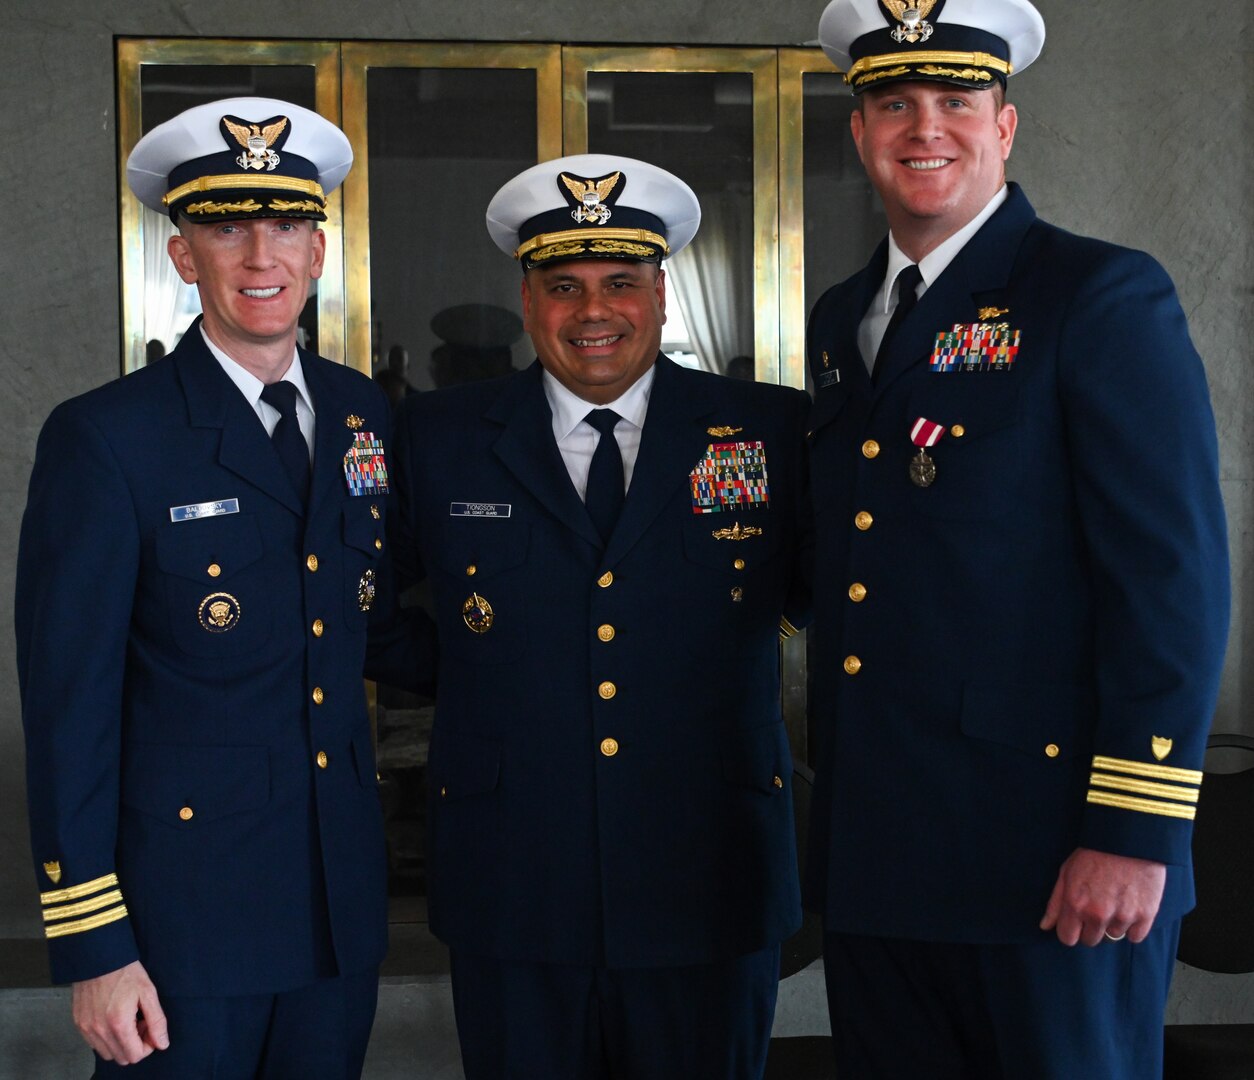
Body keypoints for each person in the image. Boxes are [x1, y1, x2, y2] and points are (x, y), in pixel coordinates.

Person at [802, 1, 1231, 1076]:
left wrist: (1134, 831)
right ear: (859, 134)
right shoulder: (843, 316)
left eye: (956, 101)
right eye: (893, 104)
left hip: (1053, 861)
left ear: (1007, 125)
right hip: (883, 855)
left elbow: (1170, 585)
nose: (923, 128)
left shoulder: (1097, 294)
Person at [16, 97, 422, 1078]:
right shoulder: (109, 437)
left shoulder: (363, 413)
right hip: (183, 923)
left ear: (319, 251)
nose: (259, 257)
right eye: (226, 228)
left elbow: (369, 617)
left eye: (285, 226)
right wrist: (95, 946)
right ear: (182, 256)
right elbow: (71, 710)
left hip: (336, 906)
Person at [385, 153, 810, 1078]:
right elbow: (370, 601)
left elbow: (831, 593)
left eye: (621, 281)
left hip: (711, 866)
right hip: (514, 871)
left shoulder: (773, 430)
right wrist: (479, 667)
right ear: (528, 298)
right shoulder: (440, 436)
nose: (593, 311)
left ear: (663, 294)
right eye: (563, 285)